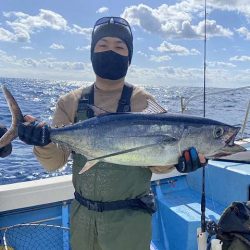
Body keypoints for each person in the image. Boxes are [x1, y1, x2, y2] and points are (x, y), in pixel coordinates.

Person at [18, 17, 207, 250]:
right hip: (83, 217)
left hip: (130, 221)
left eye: (119, 47)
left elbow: (156, 164)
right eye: (102, 45)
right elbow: (54, 163)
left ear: (129, 57)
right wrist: (44, 143)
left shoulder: (144, 102)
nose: (110, 52)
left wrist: (178, 161)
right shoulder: (70, 102)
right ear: (92, 52)